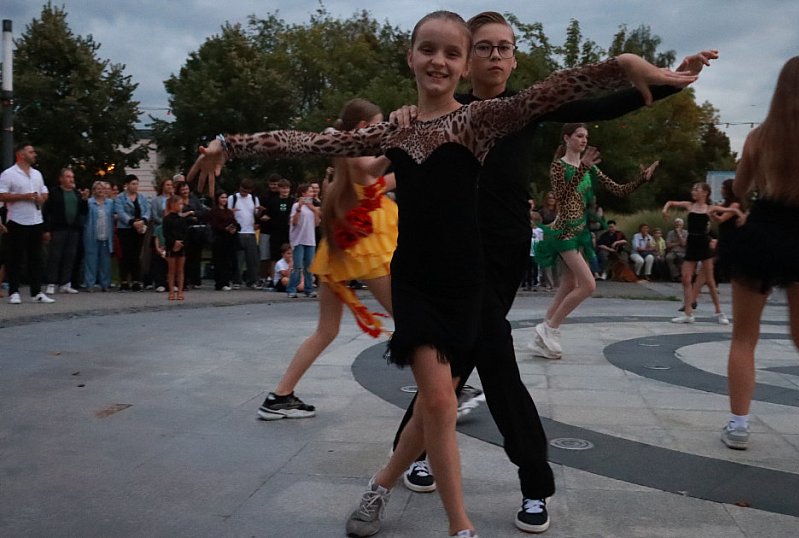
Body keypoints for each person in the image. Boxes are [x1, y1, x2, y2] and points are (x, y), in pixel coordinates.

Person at [189, 10, 698, 536]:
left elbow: (560, 91)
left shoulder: (485, 118)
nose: (443, 60)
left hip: (476, 272)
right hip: (417, 276)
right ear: (412, 56)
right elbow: (314, 144)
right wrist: (231, 143)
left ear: (470, 63)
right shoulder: (401, 127)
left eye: (456, 52)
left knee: (454, 388)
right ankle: (458, 518)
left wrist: (628, 65)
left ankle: (394, 484)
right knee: (443, 394)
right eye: (432, 49)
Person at [256, 98, 397, 420]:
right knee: (411, 320)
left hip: (343, 248)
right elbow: (372, 170)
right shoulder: (353, 151)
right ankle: (447, 389)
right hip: (361, 247)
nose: (382, 130)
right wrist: (398, 146)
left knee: (327, 330)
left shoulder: (347, 152)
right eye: (378, 124)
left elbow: (378, 182)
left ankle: (280, 396)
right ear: (363, 126)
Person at [720, 56, 799, 450]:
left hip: (763, 232)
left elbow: (739, 189)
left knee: (744, 336)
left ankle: (739, 425)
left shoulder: (759, 137)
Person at [531, 123, 659, 359]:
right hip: (563, 231)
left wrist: (642, 179)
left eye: (586, 136)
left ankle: (542, 335)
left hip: (579, 232)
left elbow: (618, 190)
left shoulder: (589, 168)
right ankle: (551, 328)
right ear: (567, 138)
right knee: (589, 285)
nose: (584, 140)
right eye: (579, 136)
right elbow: (562, 197)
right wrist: (583, 168)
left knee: (569, 284)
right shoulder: (558, 166)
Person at [662, 182, 729, 324]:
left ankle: (719, 311)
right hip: (691, 243)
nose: (693, 191)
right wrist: (665, 210)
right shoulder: (689, 205)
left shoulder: (710, 208)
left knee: (710, 281)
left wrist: (740, 215)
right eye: (693, 189)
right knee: (686, 278)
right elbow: (671, 202)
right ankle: (688, 313)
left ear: (705, 193)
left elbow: (730, 210)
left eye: (696, 189)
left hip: (703, 244)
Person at [0, 142, 55, 304]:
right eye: (31, 152)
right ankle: (14, 291)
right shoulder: (9, 174)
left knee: (36, 257)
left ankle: (36, 292)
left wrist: (41, 198)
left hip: (35, 219)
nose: (34, 154)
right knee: (15, 257)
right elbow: (2, 195)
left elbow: (44, 192)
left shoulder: (37, 174)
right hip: (17, 220)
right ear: (21, 154)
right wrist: (23, 196)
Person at [43, 168, 89, 294]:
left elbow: (83, 212)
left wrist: (84, 200)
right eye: (68, 177)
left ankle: (65, 282)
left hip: (73, 229)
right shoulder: (54, 193)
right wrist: (46, 230)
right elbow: (46, 212)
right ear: (61, 179)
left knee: (70, 256)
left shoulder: (77, 194)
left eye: (72, 177)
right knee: (55, 255)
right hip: (58, 229)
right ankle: (51, 282)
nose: (71, 179)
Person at [114, 174, 151, 291]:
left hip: (139, 229)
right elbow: (120, 212)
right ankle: (124, 281)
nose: (135, 186)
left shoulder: (142, 198)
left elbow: (147, 210)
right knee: (126, 254)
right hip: (125, 229)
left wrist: (143, 220)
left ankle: (136, 280)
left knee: (136, 254)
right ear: (127, 185)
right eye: (133, 184)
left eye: (137, 184)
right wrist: (131, 222)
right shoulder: (120, 198)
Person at [286, 183, 320, 298]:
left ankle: (308, 289)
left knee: (309, 266)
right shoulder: (296, 205)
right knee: (298, 266)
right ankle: (292, 289)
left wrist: (314, 210)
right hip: (298, 240)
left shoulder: (313, 206)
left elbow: (317, 223)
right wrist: (299, 208)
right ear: (303, 194)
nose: (312, 193)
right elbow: (294, 222)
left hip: (310, 240)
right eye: (310, 191)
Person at [228, 178, 261, 289]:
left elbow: (256, 214)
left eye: (246, 191)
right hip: (238, 231)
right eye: (242, 190)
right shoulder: (233, 198)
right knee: (238, 259)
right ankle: (236, 280)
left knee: (252, 259)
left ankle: (252, 280)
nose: (244, 193)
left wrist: (260, 213)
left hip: (250, 231)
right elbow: (228, 213)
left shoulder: (254, 199)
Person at [176, 179, 209, 289]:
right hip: (183, 231)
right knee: (185, 256)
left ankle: (195, 280)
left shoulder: (194, 200)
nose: (185, 191)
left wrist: (191, 213)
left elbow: (202, 212)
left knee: (196, 256)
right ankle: (184, 280)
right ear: (179, 191)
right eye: (183, 189)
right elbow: (178, 215)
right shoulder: (177, 200)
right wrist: (187, 216)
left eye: (186, 189)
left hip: (196, 231)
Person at [712, 178, 746, 283]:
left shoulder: (735, 204)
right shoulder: (725, 204)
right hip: (723, 236)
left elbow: (721, 219)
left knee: (722, 261)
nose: (721, 190)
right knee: (716, 260)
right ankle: (713, 284)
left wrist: (712, 213)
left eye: (723, 188)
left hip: (731, 237)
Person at [83, 181, 115, 291]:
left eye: (102, 188)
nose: (100, 190)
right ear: (93, 190)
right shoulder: (89, 203)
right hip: (92, 235)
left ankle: (105, 284)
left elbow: (114, 216)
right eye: (98, 188)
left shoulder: (110, 203)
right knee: (91, 260)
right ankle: (90, 284)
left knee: (105, 262)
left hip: (106, 235)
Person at [263, 178, 295, 285]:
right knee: (274, 256)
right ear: (279, 189)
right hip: (275, 232)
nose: (285, 190)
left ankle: (291, 278)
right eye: (283, 188)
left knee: (290, 255)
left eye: (287, 188)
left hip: (289, 233)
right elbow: (268, 215)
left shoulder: (293, 201)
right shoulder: (273, 201)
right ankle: (273, 280)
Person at [209, 190, 240, 291]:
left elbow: (234, 222)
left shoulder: (229, 211)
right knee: (219, 261)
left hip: (230, 239)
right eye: (222, 197)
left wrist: (234, 228)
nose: (224, 200)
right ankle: (220, 283)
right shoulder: (214, 211)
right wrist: (225, 228)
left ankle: (227, 281)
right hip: (219, 239)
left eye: (225, 197)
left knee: (229, 261)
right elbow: (214, 225)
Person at [162, 195, 189, 300]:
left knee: (180, 270)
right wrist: (174, 242)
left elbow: (185, 232)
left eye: (182, 204)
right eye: (179, 204)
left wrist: (181, 242)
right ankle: (171, 291)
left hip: (181, 246)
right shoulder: (167, 219)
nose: (181, 206)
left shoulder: (182, 219)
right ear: (173, 205)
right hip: (171, 246)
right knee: (171, 270)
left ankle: (180, 291)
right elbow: (166, 233)